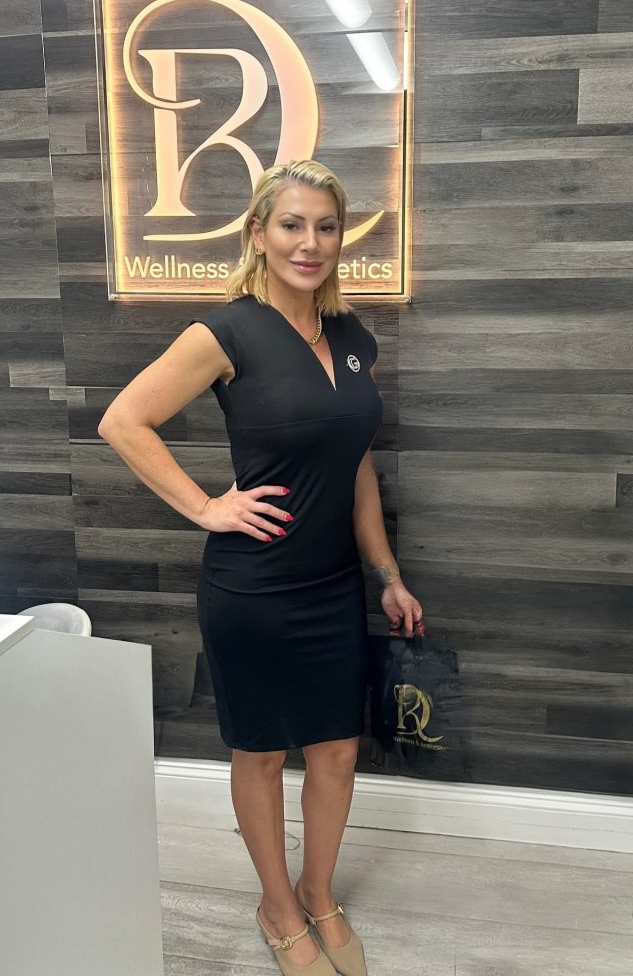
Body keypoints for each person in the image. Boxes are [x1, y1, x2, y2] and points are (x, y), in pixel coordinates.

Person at [98, 159, 423, 976]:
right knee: (263, 754)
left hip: (332, 586)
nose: (309, 243)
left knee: (337, 751)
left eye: (325, 227)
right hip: (253, 588)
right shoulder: (226, 333)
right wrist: (206, 507)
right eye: (291, 225)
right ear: (258, 234)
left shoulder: (353, 338)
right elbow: (124, 421)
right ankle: (277, 907)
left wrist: (387, 573)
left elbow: (353, 464)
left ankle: (318, 892)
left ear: (340, 238)